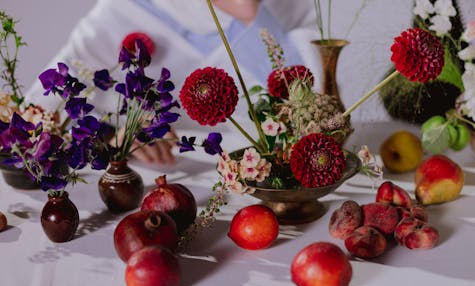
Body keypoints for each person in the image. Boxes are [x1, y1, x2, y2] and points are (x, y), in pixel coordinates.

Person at [26, 0, 320, 164]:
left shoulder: (291, 5)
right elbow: (34, 120)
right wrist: (114, 142)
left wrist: (251, 17)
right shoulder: (122, 10)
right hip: (163, 177)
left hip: (258, 178)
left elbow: (318, 123)